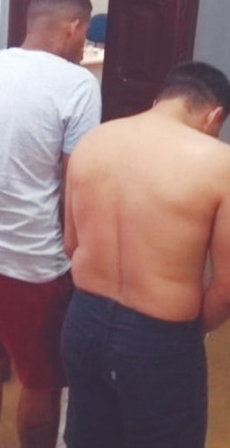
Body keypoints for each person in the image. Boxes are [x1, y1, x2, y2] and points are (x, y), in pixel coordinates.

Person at [0, 0, 101, 446]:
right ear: (74, 27)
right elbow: (75, 182)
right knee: (41, 381)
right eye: (85, 33)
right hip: (34, 262)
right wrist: (77, 258)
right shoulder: (78, 84)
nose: (84, 44)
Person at [61, 62, 230, 448]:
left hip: (83, 321)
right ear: (213, 115)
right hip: (160, 338)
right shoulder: (221, 164)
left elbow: (72, 244)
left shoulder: (93, 141)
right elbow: (226, 289)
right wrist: (187, 332)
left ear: (159, 100)